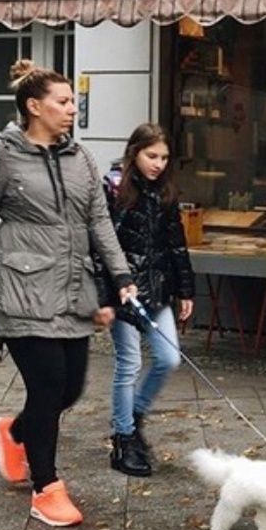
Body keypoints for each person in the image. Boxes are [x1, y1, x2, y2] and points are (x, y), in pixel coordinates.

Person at [0, 59, 136, 527]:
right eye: (62, 102)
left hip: (72, 289)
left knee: (71, 387)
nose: (71, 110)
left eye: (71, 102)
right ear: (33, 106)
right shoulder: (1, 156)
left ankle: (14, 431)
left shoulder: (80, 157)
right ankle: (46, 489)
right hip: (21, 287)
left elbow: (99, 222)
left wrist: (121, 277)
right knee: (46, 385)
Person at [95, 123, 195, 477]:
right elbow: (99, 246)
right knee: (129, 363)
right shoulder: (113, 189)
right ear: (134, 152)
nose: (158, 163)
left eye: (164, 157)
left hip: (159, 289)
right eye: (151, 155)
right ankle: (124, 440)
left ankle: (133, 416)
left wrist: (186, 290)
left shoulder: (165, 192)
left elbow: (176, 243)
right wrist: (106, 295)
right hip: (125, 291)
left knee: (169, 358)